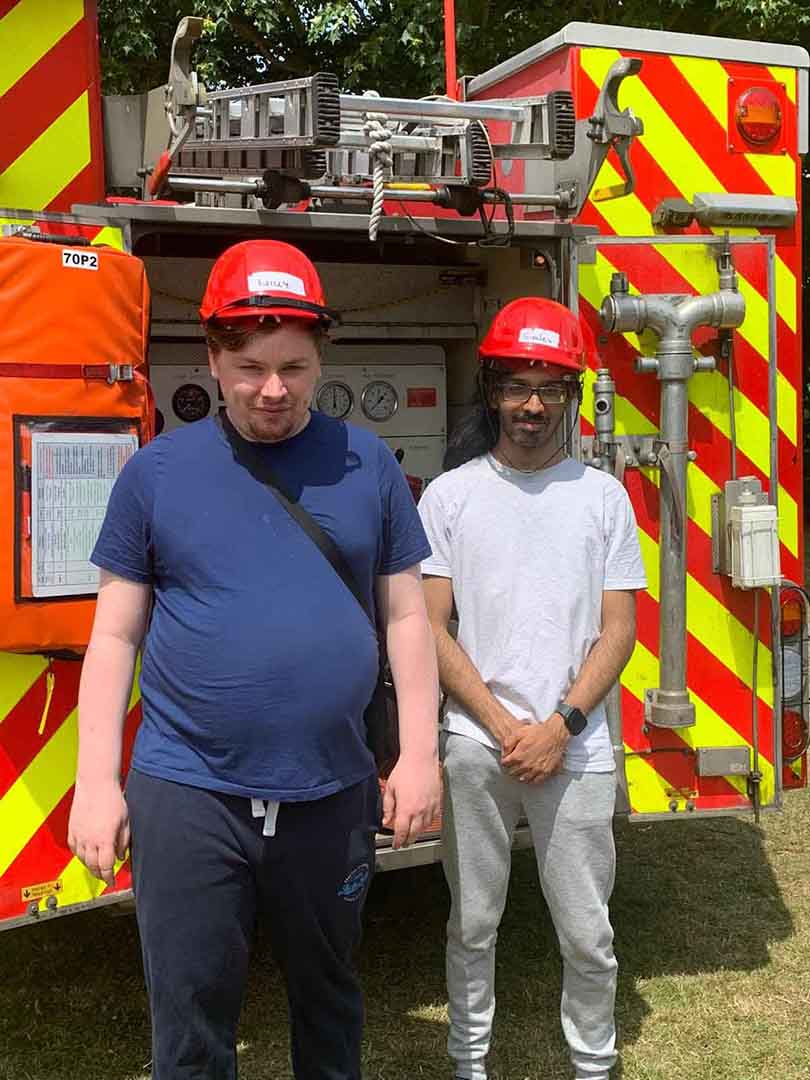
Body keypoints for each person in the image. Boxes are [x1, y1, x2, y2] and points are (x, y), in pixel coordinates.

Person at [68, 239, 440, 1080]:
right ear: (212, 357)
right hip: (189, 794)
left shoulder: (368, 465)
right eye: (250, 368)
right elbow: (115, 637)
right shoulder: (154, 474)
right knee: (191, 1020)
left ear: (320, 359)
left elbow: (407, 617)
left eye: (293, 367)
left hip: (331, 792)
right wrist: (95, 782)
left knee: (330, 1002)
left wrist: (418, 755)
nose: (273, 389)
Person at [418, 297, 647, 1080]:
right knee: (472, 923)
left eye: (551, 387)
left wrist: (560, 726)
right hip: (476, 746)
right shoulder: (449, 497)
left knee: (588, 933)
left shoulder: (603, 498)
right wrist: (499, 723)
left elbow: (619, 630)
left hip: (575, 749)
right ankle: (469, 1063)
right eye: (517, 385)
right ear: (492, 392)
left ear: (573, 394)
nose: (533, 405)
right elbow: (431, 627)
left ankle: (594, 1064)